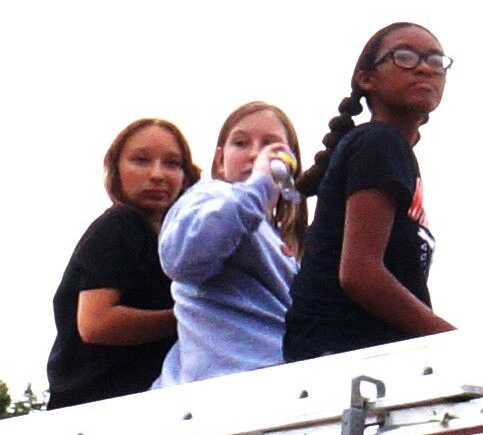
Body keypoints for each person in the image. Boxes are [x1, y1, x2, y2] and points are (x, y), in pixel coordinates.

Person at [283, 22, 453, 361]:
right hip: (340, 360)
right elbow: (360, 274)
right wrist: (451, 341)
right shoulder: (378, 142)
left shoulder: (392, 152)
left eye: (436, 61)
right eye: (405, 56)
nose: (424, 67)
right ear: (367, 79)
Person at [46, 119, 200, 408]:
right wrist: (188, 317)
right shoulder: (119, 225)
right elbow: (95, 323)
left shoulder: (174, 242)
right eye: (141, 160)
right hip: (95, 412)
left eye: (172, 163)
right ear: (115, 169)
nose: (157, 174)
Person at [153, 102, 306, 386]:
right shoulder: (209, 196)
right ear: (220, 162)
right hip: (227, 387)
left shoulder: (280, 241)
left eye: (271, 145)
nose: (254, 154)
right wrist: (258, 188)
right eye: (240, 142)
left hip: (282, 383)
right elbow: (182, 256)